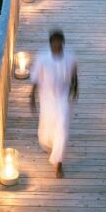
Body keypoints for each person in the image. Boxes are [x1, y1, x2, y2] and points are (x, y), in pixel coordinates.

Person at [30, 29, 78, 179]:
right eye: (53, 42)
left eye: (59, 41)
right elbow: (36, 79)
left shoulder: (70, 58)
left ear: (63, 42)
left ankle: (58, 163)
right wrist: (31, 97)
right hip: (47, 98)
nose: (56, 44)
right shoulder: (42, 58)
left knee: (62, 128)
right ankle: (50, 145)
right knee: (47, 129)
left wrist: (75, 90)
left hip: (63, 98)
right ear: (50, 44)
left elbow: (74, 76)